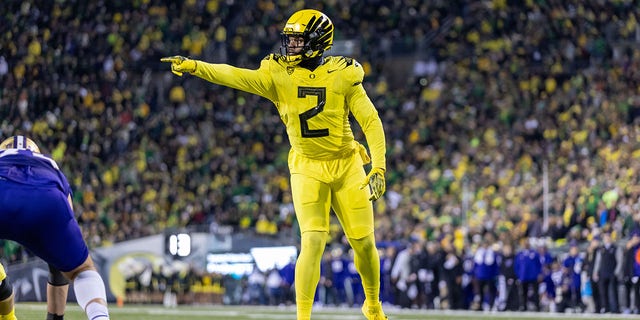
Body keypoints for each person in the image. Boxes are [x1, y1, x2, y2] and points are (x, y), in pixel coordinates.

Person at [161, 8, 387, 320]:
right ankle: (303, 317)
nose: (290, 45)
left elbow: (371, 121)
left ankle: (373, 305)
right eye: (290, 39)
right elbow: (236, 76)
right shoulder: (278, 74)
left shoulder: (344, 74)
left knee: (363, 242)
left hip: (347, 163)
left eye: (297, 40)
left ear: (316, 42)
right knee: (313, 240)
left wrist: (378, 166)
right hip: (307, 165)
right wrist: (196, 66)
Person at [0, 135, 111, 320]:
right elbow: (58, 266)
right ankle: (99, 317)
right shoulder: (49, 164)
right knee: (82, 270)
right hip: (47, 197)